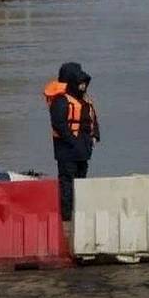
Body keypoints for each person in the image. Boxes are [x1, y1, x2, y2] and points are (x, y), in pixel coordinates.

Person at [43, 62, 100, 221]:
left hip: (83, 151)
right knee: (67, 184)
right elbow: (59, 124)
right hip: (67, 151)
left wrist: (95, 136)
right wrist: (73, 141)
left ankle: (79, 213)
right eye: (80, 82)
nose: (83, 85)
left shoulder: (85, 100)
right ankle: (66, 217)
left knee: (81, 183)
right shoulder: (60, 101)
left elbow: (93, 120)